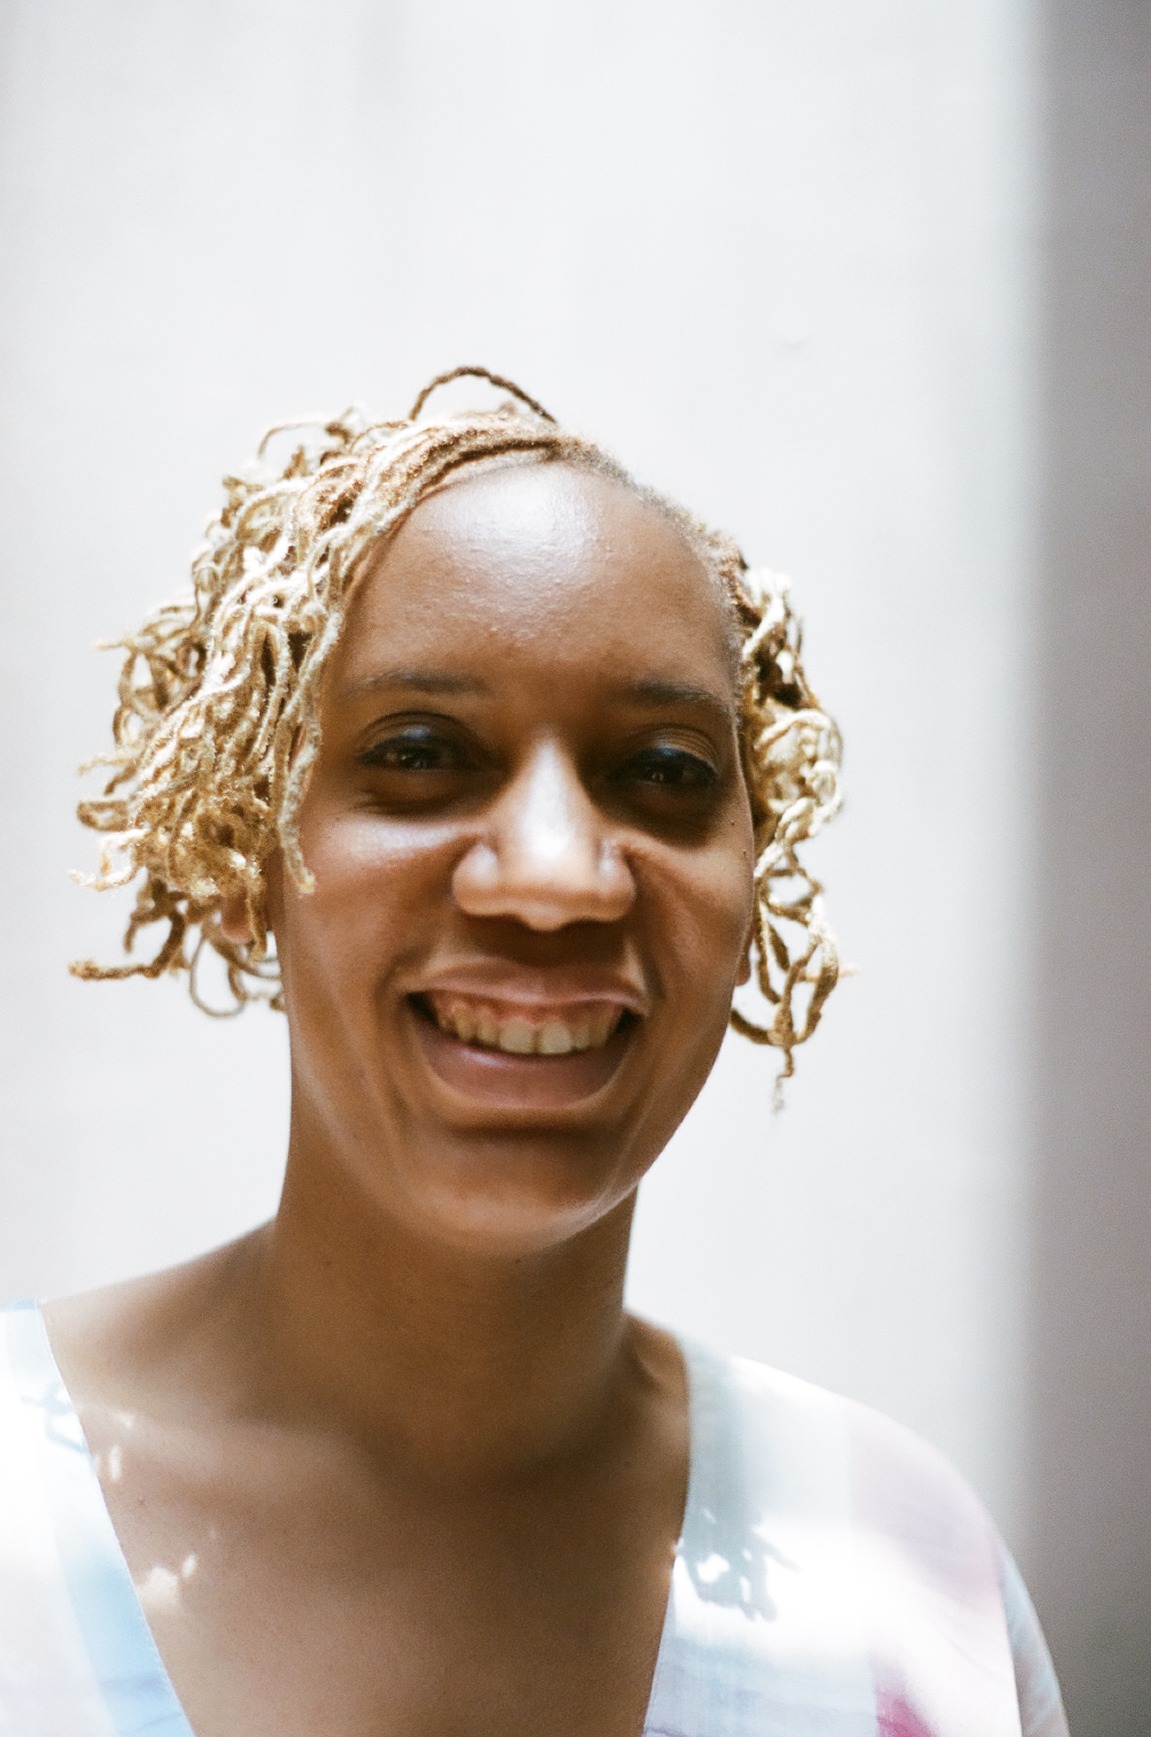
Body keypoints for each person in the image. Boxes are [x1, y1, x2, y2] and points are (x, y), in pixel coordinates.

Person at [0, 369, 1068, 1737]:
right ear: (234, 850)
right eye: (425, 749)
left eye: (668, 770)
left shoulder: (905, 1585)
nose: (559, 877)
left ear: (756, 875)